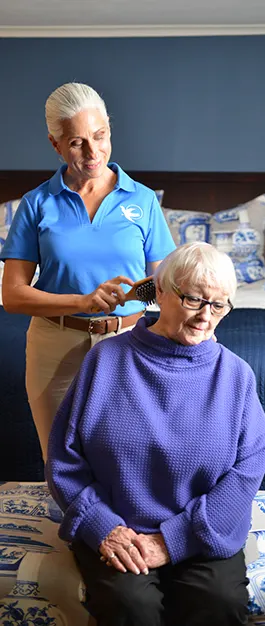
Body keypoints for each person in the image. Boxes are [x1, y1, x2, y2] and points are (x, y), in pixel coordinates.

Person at [46, 242, 265, 626]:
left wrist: (170, 541)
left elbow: (247, 472)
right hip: (119, 529)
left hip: (202, 533)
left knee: (218, 602)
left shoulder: (237, 376)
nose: (205, 317)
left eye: (219, 305)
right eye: (194, 300)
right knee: (133, 608)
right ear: (160, 291)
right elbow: (66, 460)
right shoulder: (106, 360)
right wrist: (102, 526)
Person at [0, 82, 175, 461]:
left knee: (126, 462)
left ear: (109, 130)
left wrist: (129, 298)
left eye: (100, 136)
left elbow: (166, 285)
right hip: (54, 342)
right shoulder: (36, 204)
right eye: (77, 142)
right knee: (60, 462)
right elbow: (12, 296)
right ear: (56, 144)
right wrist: (83, 300)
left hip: (128, 343)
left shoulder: (142, 201)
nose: (93, 152)